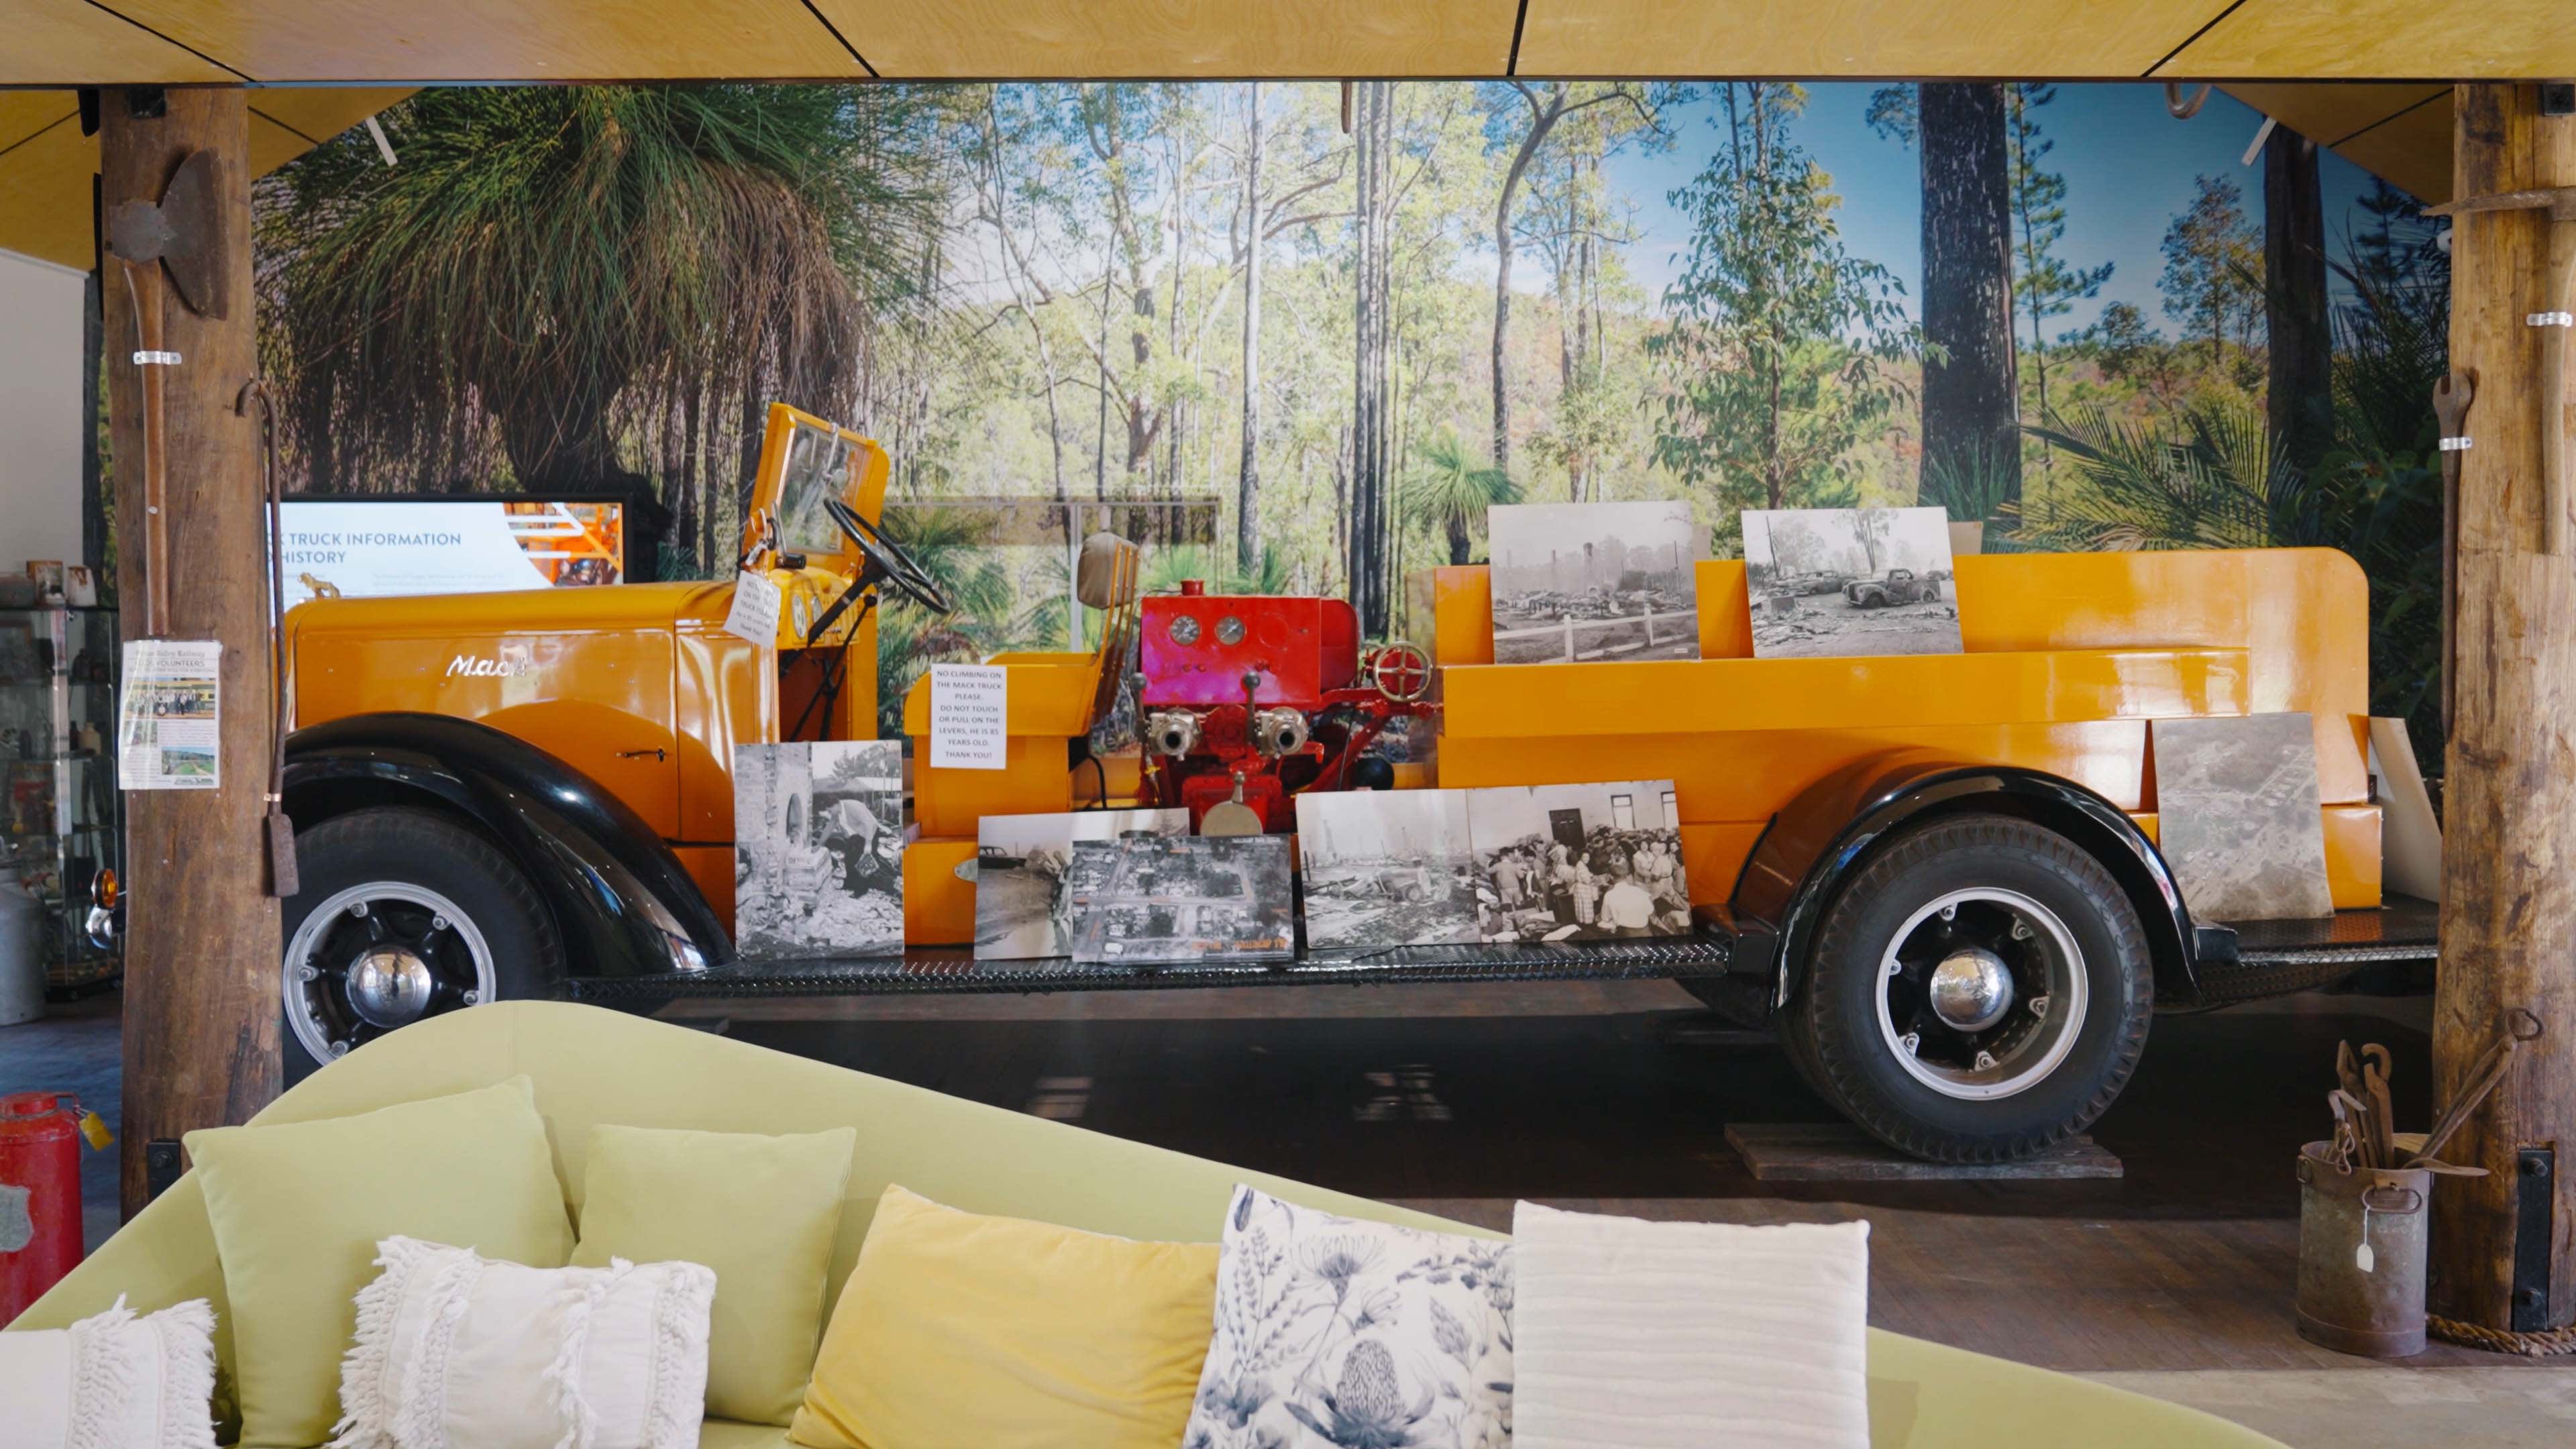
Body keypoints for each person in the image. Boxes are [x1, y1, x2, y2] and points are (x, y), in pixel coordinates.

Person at [1602, 865, 1657, 936]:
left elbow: (1606, 918)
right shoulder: (1639, 891)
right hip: (1646, 932)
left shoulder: (1609, 895)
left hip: (1625, 934)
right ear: (1626, 877)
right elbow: (1651, 911)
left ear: (1611, 877)